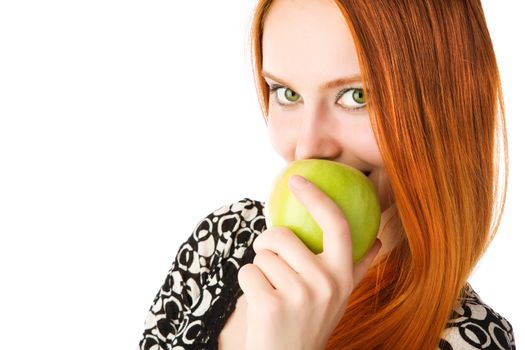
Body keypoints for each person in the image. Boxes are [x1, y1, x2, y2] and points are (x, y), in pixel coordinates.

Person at [138, 0, 516, 349]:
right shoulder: (223, 240)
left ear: (442, 105)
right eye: (286, 93)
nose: (308, 147)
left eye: (357, 96)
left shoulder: (471, 340)